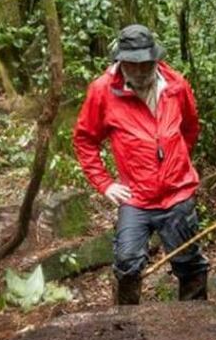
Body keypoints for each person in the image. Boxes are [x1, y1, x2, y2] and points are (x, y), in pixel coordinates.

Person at [72, 24, 207, 304]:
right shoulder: (102, 91)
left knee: (189, 262)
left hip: (177, 192)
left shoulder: (176, 85)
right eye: (133, 64)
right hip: (136, 197)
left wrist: (176, 162)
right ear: (120, 61)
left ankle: (197, 321)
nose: (140, 70)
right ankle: (126, 322)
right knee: (127, 262)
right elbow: (85, 140)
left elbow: (190, 128)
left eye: (146, 63)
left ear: (155, 58)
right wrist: (105, 183)